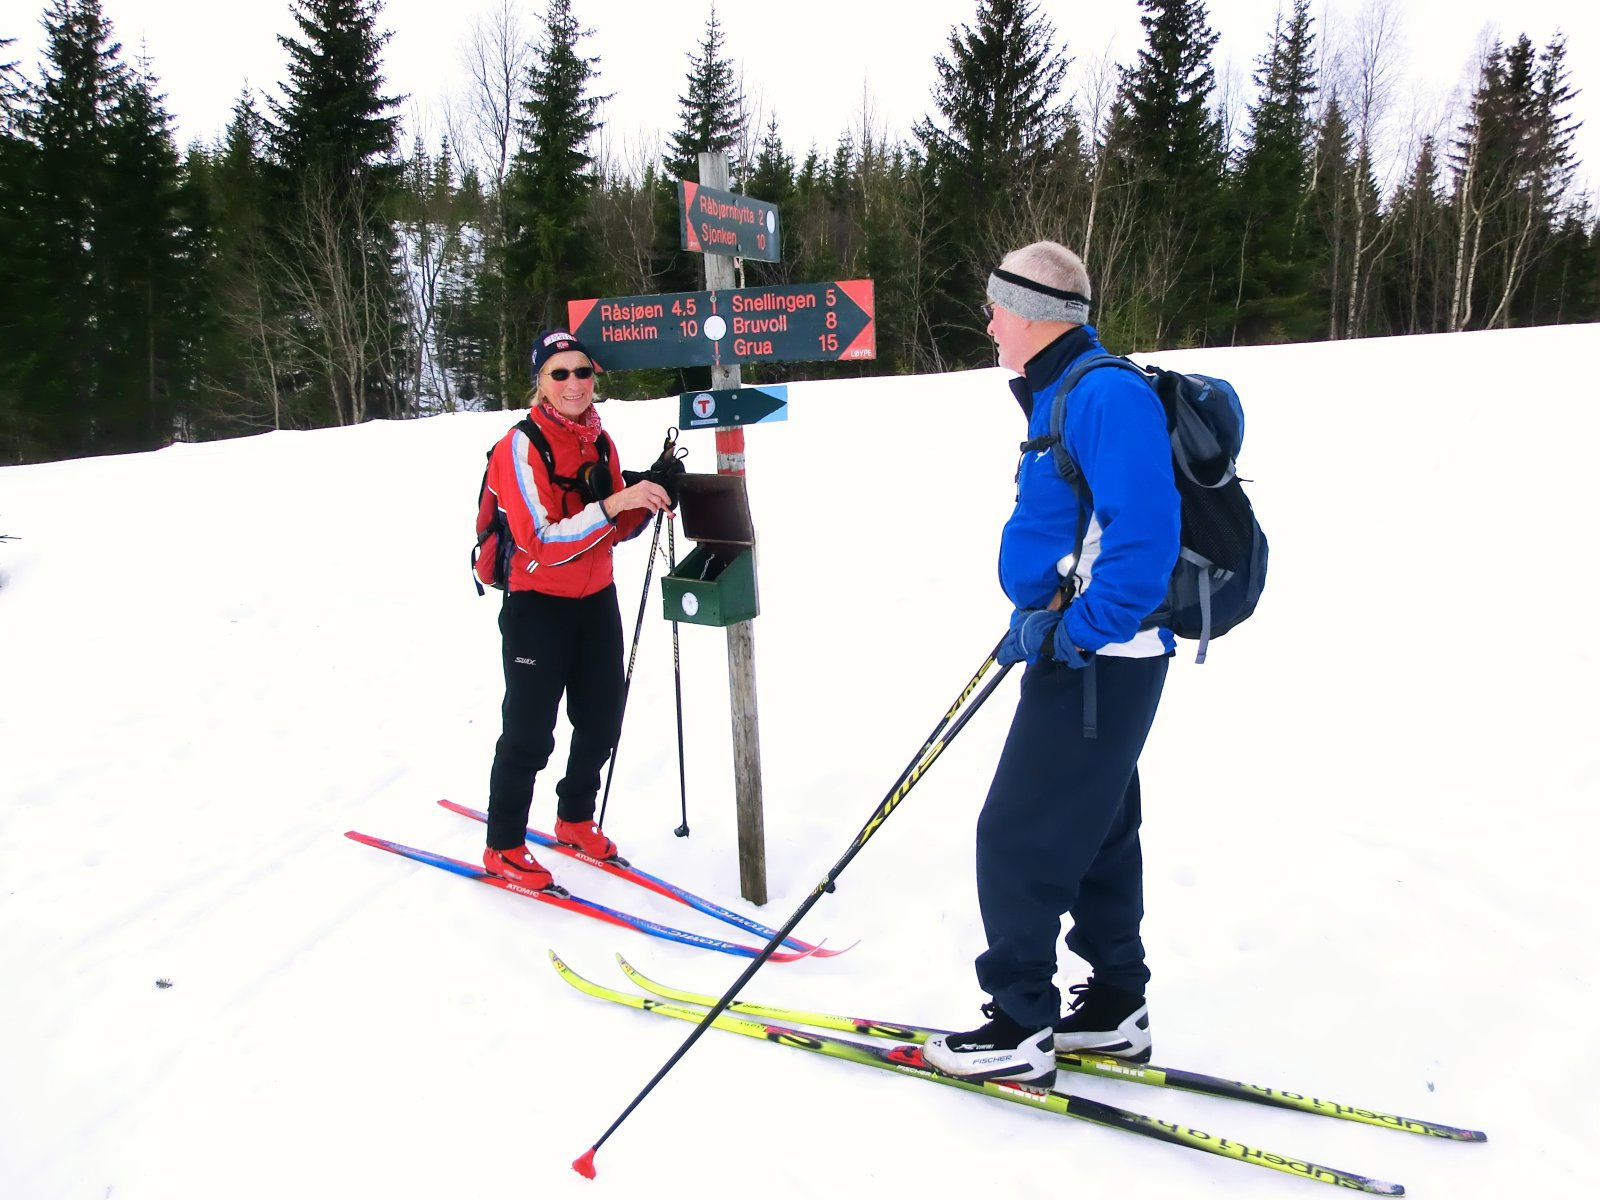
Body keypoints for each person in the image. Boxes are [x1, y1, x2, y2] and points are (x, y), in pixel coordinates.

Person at [922, 242, 1181, 1088]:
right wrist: (1037, 615)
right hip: (1089, 650)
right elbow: (1075, 525)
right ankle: (1114, 1010)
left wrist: (1074, 634)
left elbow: (1142, 544)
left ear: (1034, 313)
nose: (988, 321)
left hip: (1099, 660)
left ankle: (1021, 1026)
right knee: (1098, 834)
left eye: (996, 306)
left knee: (1016, 836)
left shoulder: (1105, 393)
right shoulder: (1065, 392)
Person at [479, 329, 673, 891]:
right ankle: (505, 845)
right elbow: (539, 541)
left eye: (582, 373)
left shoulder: (601, 442)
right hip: (537, 606)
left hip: (596, 601)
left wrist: (651, 493)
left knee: (600, 721)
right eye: (559, 373)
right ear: (539, 381)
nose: (573, 384)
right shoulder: (518, 446)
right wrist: (615, 502)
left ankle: (573, 820)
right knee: (529, 733)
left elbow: (612, 530)